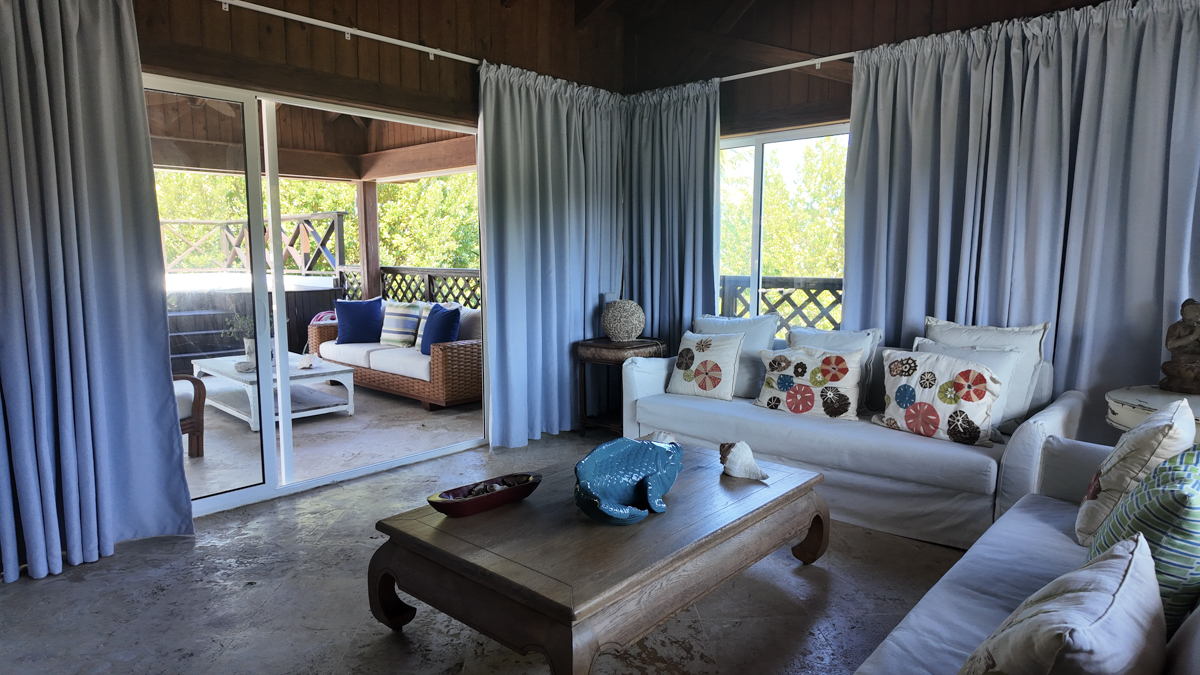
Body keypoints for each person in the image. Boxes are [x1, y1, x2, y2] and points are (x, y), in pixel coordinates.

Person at [1161, 298, 1200, 394]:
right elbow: (1170, 345)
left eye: (1199, 310)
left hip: (1197, 358)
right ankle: (1187, 383)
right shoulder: (1177, 326)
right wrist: (1192, 337)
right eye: (1193, 310)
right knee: (1183, 367)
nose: (1197, 313)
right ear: (1182, 313)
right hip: (1183, 360)